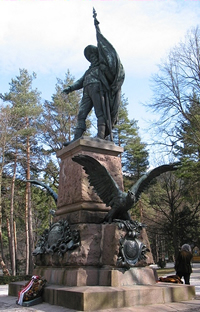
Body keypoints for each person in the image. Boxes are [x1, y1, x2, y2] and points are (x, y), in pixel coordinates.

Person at [62, 9, 125, 146]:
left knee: (99, 112)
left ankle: (101, 136)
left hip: (98, 89)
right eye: (89, 56)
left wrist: (105, 72)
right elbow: (80, 82)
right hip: (87, 91)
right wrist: (70, 88)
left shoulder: (101, 68)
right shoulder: (89, 71)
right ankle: (76, 138)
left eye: (93, 55)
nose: (91, 58)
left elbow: (111, 78)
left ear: (97, 55)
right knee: (81, 114)